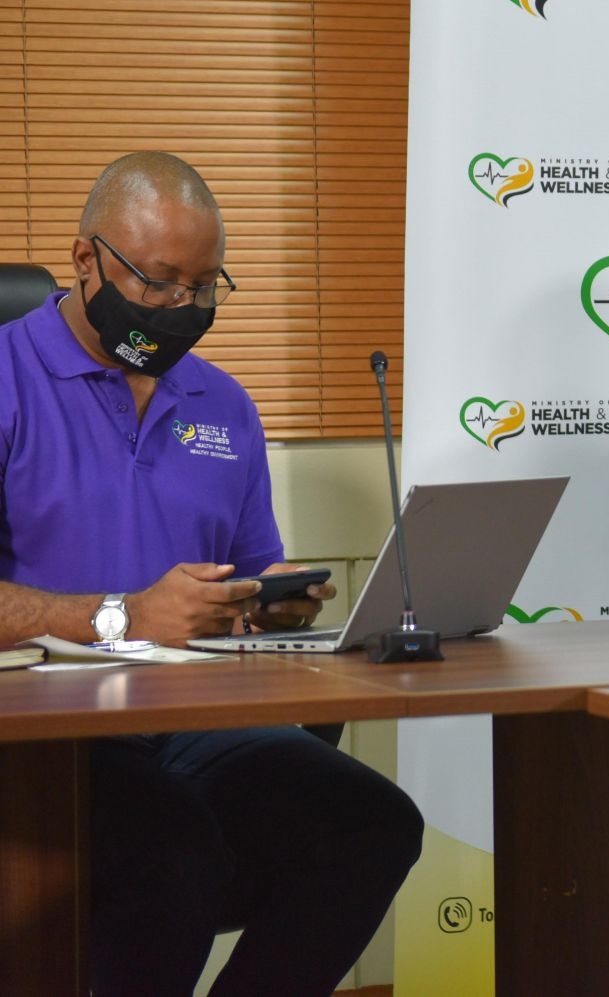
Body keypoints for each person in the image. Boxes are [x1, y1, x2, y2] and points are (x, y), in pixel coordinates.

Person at [0, 152, 422, 996]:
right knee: (174, 850)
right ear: (87, 260)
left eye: (203, 285)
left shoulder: (223, 404)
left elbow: (251, 568)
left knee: (372, 823)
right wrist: (121, 616)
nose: (181, 306)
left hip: (193, 717)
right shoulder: (8, 377)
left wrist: (279, 600)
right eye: (158, 282)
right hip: (43, 735)